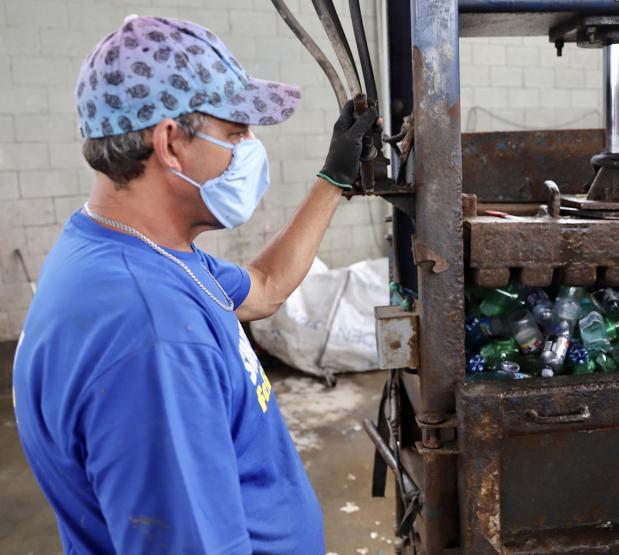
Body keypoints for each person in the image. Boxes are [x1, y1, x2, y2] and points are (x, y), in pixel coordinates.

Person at [12, 15, 379, 554]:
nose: (251, 147)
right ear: (170, 144)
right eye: (235, 132)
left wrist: (333, 178)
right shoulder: (155, 337)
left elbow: (265, 286)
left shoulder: (127, 252)